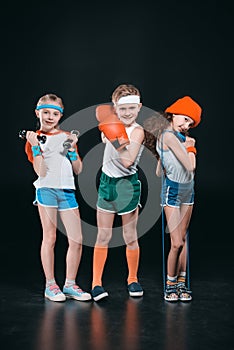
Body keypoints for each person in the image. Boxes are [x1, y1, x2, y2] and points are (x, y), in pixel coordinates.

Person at [24, 93, 91, 302]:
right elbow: (40, 171)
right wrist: (35, 146)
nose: (50, 117)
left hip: (67, 191)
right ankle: (50, 285)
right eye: (46, 112)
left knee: (77, 240)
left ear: (60, 116)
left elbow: (79, 169)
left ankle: (70, 284)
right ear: (38, 113)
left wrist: (72, 150)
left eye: (55, 113)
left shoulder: (67, 136)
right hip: (46, 190)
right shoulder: (34, 139)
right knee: (50, 237)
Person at [144, 96, 202, 302]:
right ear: (173, 114)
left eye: (190, 123)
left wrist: (163, 160)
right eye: (185, 119)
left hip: (189, 190)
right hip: (173, 192)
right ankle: (170, 283)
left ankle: (181, 283)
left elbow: (160, 172)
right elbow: (190, 166)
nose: (187, 125)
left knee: (183, 238)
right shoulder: (169, 136)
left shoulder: (174, 137)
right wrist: (191, 146)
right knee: (176, 242)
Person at [91, 84, 145, 301]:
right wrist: (109, 128)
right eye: (122, 109)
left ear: (139, 107)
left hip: (126, 184)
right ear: (115, 108)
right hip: (107, 182)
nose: (127, 113)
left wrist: (113, 133)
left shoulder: (138, 131)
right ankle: (96, 283)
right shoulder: (111, 124)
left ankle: (132, 278)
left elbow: (127, 160)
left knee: (129, 236)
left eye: (132, 108)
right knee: (103, 235)